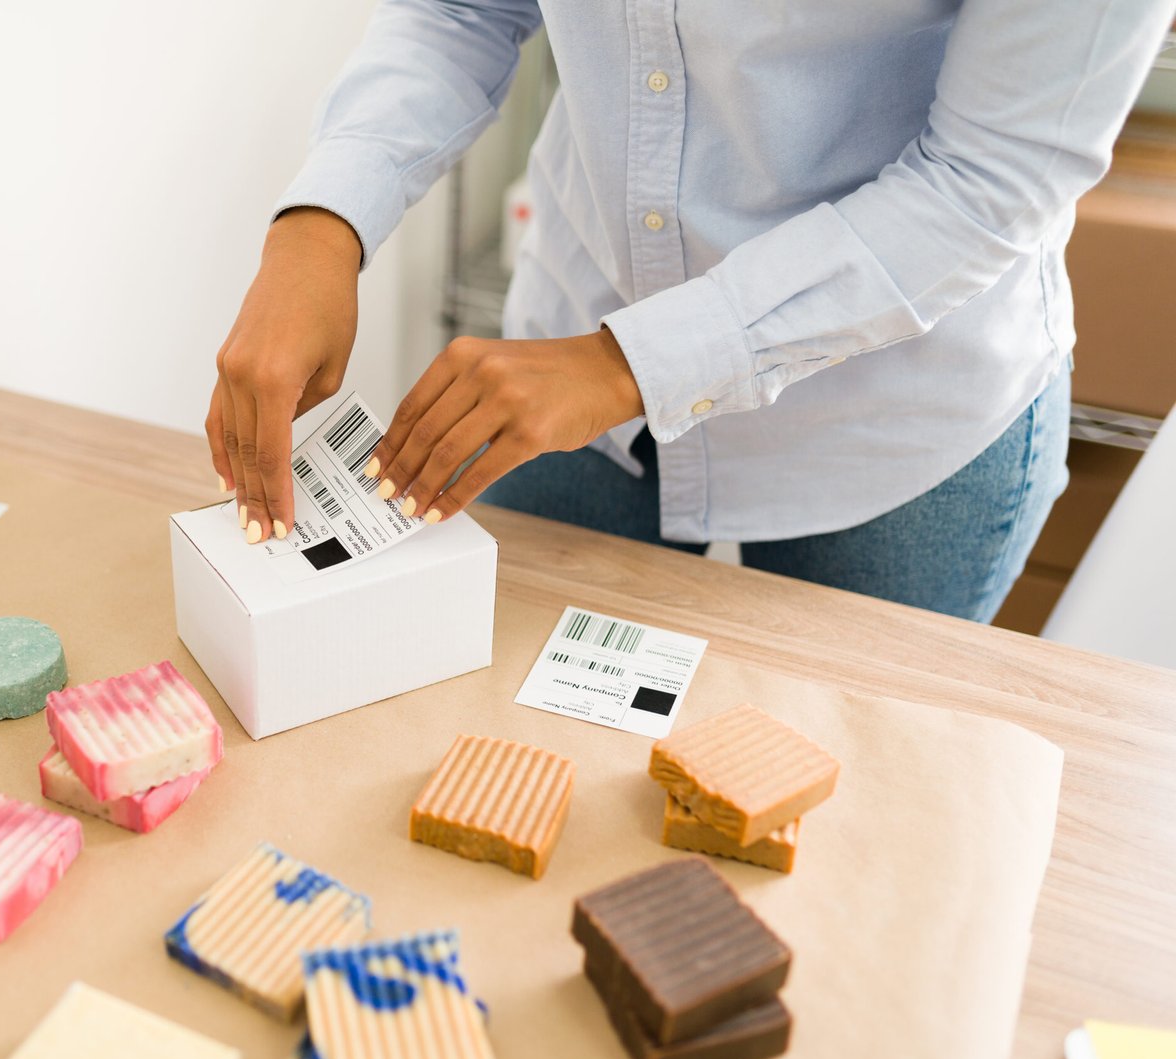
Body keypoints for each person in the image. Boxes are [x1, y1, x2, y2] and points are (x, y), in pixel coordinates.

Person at [205, 0, 1174, 622]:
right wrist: (322, 225)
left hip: (887, 425)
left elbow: (989, 182)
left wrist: (631, 364)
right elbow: (464, 7)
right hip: (576, 355)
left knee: (823, 845)